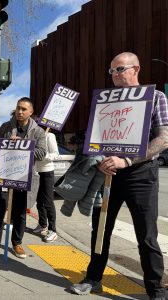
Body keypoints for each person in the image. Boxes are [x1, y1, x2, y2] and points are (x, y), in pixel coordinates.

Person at [70, 52, 168, 300]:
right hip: (109, 174)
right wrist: (99, 160)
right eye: (111, 71)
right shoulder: (106, 101)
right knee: (100, 229)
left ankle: (155, 290)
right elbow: (97, 140)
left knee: (146, 235)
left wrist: (127, 160)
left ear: (136, 69)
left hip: (141, 175)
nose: (114, 75)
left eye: (119, 69)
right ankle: (93, 279)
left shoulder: (156, 97)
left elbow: (164, 138)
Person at [0, 97, 47, 259]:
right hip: (4, 175)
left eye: (24, 109)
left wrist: (23, 145)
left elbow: (42, 153)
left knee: (20, 211)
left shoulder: (38, 131)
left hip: (23, 176)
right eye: (18, 108)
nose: (20, 112)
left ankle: (17, 243)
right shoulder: (5, 127)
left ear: (31, 112)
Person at [33, 128, 60, 242]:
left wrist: (41, 155)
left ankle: (53, 230)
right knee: (39, 200)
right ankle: (42, 224)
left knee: (48, 201)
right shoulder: (33, 136)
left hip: (47, 172)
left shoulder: (49, 136)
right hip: (35, 172)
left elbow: (55, 155)